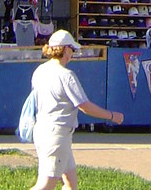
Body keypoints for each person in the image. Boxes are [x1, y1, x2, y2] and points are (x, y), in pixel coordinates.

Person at [29, 29, 124, 190]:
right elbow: (84, 106)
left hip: (43, 131)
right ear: (65, 49)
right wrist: (112, 116)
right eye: (72, 49)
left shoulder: (40, 71)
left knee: (70, 183)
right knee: (45, 185)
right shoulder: (67, 75)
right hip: (57, 135)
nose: (72, 53)